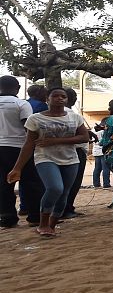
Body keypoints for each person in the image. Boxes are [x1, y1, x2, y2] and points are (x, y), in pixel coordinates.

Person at [7, 87, 89, 236]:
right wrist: (17, 168)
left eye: (63, 96)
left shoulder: (75, 117)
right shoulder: (35, 118)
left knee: (64, 193)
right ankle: (43, 223)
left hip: (70, 159)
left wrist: (55, 140)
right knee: (55, 188)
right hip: (45, 158)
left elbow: (84, 137)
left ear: (67, 99)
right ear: (47, 99)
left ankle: (51, 225)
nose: (60, 98)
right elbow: (28, 144)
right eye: (55, 96)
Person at [0, 76, 43, 228]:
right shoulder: (21, 103)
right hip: (19, 148)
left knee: (4, 184)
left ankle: (7, 217)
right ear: (17, 88)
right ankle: (35, 216)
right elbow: (28, 127)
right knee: (31, 181)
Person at [59, 87, 91, 219]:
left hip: (61, 151)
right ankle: (66, 209)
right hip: (75, 151)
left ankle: (64, 208)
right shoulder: (72, 115)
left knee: (63, 182)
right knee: (73, 182)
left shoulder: (51, 113)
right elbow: (80, 136)